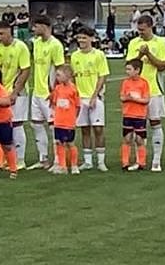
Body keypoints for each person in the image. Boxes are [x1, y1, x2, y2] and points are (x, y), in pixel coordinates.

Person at [125, 15, 165, 172]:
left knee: (155, 123)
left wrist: (149, 54)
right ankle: (140, 161)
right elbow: (129, 65)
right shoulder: (134, 43)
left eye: (143, 30)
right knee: (138, 126)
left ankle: (156, 161)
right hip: (136, 91)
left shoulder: (160, 43)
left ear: (151, 27)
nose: (140, 32)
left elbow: (163, 66)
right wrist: (140, 55)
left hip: (154, 89)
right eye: (139, 30)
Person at [0, 21, 32, 169]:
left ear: (10, 32)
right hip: (2, 91)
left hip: (18, 92)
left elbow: (25, 71)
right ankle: (8, 158)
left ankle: (20, 160)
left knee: (16, 123)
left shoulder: (20, 47)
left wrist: (15, 92)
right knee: (4, 124)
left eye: (1, 33)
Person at [28, 16, 66, 170]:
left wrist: (55, 91)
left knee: (53, 127)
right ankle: (43, 159)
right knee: (36, 124)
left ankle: (58, 160)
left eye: (36, 26)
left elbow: (59, 69)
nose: (33, 29)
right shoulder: (36, 43)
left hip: (49, 93)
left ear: (45, 26)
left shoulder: (55, 45)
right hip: (37, 91)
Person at [70, 28, 109, 171]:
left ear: (91, 39)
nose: (81, 40)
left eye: (84, 38)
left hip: (95, 97)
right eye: (79, 38)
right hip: (80, 98)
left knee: (98, 129)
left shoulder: (98, 55)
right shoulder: (74, 56)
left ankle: (101, 161)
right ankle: (88, 161)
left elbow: (102, 76)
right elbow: (73, 78)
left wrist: (94, 96)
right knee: (84, 129)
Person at [120, 60, 151, 172]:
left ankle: (141, 162)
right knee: (127, 138)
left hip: (139, 115)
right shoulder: (125, 82)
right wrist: (128, 98)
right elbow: (122, 97)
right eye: (126, 69)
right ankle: (125, 162)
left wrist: (134, 99)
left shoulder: (144, 83)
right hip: (128, 114)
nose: (127, 72)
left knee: (139, 139)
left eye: (129, 69)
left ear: (137, 70)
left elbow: (146, 100)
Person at [49, 67, 81, 175]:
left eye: (59, 75)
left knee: (70, 143)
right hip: (58, 121)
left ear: (67, 76)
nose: (57, 77)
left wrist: (74, 118)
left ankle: (74, 165)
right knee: (59, 142)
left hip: (68, 122)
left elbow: (77, 105)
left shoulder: (73, 89)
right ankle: (62, 166)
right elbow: (55, 103)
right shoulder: (58, 88)